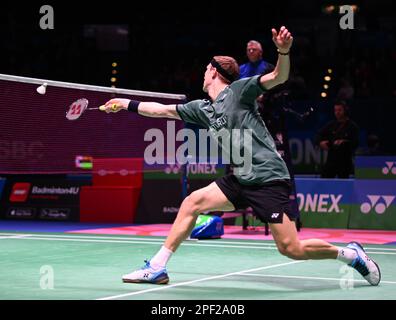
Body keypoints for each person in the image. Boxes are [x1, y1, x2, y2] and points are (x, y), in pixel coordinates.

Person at [103, 26, 380, 286]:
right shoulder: (202, 108)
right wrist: (124, 103)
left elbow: (278, 78)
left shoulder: (239, 91)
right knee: (192, 202)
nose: (202, 74)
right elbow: (162, 111)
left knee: (291, 248)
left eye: (205, 70)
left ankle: (351, 254)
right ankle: (157, 267)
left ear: (213, 71)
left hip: (268, 177)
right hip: (240, 177)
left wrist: (283, 52)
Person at [316, 101, 360, 178]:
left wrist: (344, 142)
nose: (337, 112)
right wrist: (320, 142)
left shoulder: (352, 126)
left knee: (344, 185)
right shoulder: (331, 125)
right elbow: (319, 134)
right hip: (331, 160)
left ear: (345, 111)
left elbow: (355, 143)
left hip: (345, 161)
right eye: (335, 110)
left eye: (339, 110)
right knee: (324, 182)